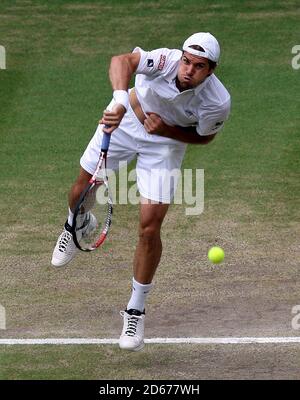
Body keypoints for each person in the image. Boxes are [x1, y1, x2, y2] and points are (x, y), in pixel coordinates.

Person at [51, 32, 231, 351]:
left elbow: (205, 138)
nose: (187, 70)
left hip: (166, 145)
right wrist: (120, 102)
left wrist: (167, 130)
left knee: (150, 227)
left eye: (198, 66)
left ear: (211, 70)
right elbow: (122, 61)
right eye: (186, 61)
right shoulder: (165, 60)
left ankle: (135, 310)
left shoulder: (217, 102)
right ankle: (75, 224)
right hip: (124, 122)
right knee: (81, 191)